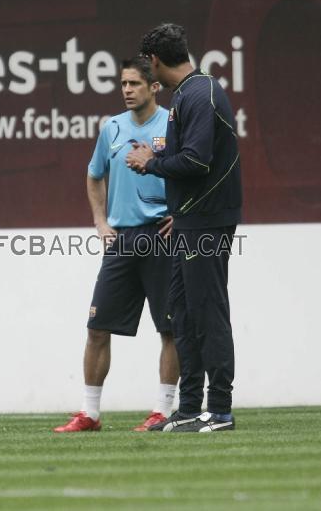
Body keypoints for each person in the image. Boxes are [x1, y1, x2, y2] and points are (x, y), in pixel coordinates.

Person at [126, 24, 242, 433]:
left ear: (155, 62)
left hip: (207, 222)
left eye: (145, 65)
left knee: (208, 312)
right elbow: (186, 155)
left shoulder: (200, 92)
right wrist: (159, 159)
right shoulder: (187, 95)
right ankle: (190, 407)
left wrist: (151, 162)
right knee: (183, 314)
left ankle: (221, 410)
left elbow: (195, 161)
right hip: (188, 219)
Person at [53, 56, 179, 433]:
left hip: (162, 237)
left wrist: (183, 214)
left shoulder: (174, 124)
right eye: (123, 84)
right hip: (123, 240)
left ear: (154, 87)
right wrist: (99, 221)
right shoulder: (111, 128)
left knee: (171, 329)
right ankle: (90, 414)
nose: (126, 90)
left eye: (134, 84)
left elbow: (195, 169)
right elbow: (94, 176)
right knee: (96, 327)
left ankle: (163, 411)